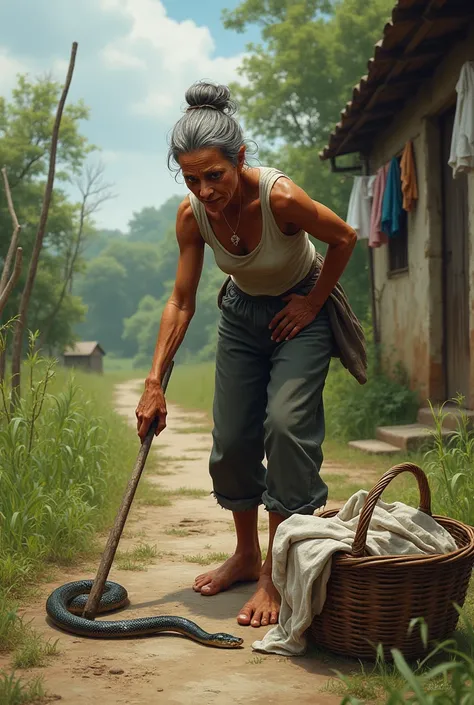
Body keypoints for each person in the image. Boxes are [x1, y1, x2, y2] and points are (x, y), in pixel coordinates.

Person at [136, 81, 363, 629]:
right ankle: (246, 556)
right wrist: (154, 382)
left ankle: (278, 572)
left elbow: (346, 237)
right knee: (233, 436)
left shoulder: (279, 197)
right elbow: (181, 301)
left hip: (297, 312)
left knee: (286, 428)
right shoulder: (192, 216)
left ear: (240, 158)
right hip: (242, 315)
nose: (206, 190)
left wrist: (312, 303)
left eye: (214, 175)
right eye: (192, 179)